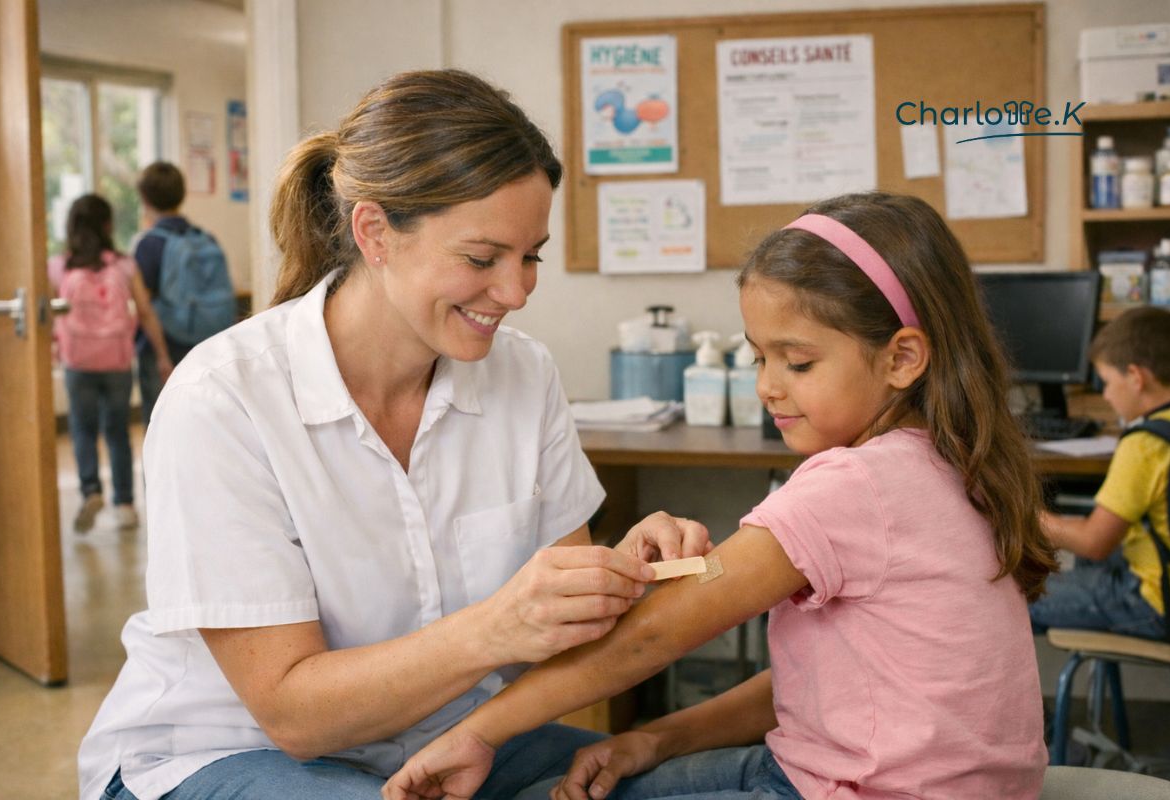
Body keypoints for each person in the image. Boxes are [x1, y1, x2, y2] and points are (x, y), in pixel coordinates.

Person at [77, 69, 707, 800]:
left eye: (531, 255)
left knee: (694, 783)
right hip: (226, 752)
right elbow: (294, 716)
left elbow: (558, 635)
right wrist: (498, 629)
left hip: (452, 737)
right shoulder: (223, 400)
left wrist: (622, 578)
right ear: (374, 232)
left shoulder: (523, 375)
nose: (516, 292)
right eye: (481, 259)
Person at [385, 192, 1057, 800]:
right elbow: (832, 686)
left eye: (797, 362)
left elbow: (645, 641)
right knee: (604, 770)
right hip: (861, 772)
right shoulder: (951, 463)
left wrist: (478, 732)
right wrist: (653, 738)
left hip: (853, 789)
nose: (767, 385)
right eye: (758, 357)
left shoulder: (856, 484)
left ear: (903, 359)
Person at [1031, 306, 1170, 640]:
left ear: (1136, 377)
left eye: (1107, 381)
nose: (1105, 393)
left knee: (1015, 594)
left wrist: (1025, 519)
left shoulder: (1146, 445)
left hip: (1162, 605)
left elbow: (1093, 542)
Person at [49, 194, 174, 533]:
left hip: (77, 362)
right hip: (117, 360)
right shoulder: (123, 264)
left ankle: (91, 490)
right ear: (108, 225)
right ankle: (125, 505)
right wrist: (163, 355)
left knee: (82, 429)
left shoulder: (60, 265)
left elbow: (46, 314)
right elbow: (146, 312)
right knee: (118, 431)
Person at [132, 161, 235, 425]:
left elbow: (144, 307)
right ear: (182, 194)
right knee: (203, 422)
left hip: (165, 344)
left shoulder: (149, 244)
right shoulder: (207, 239)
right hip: (208, 343)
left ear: (144, 198)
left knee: (159, 424)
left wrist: (161, 356)